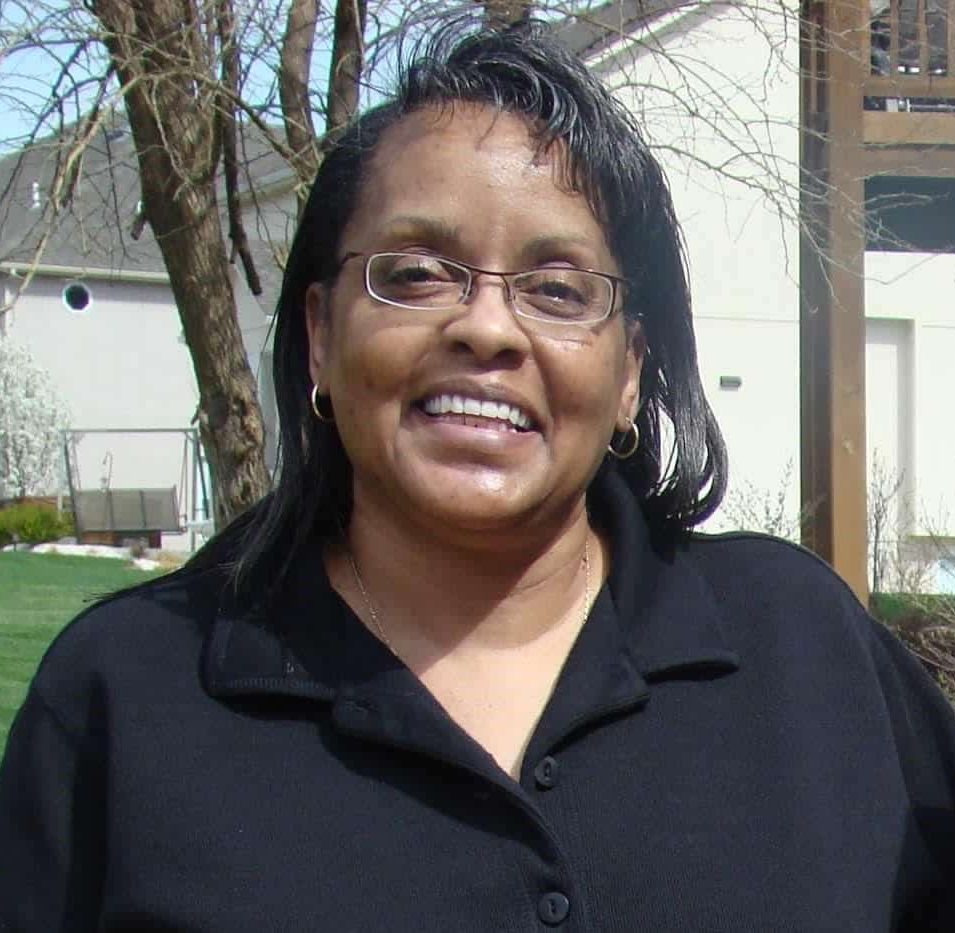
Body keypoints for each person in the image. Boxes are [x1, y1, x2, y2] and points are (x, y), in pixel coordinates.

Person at [2, 20, 955, 932]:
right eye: (417, 273)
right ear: (320, 333)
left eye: (557, 289)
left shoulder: (804, 652)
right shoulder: (125, 698)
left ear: (629, 370)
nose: (487, 328)